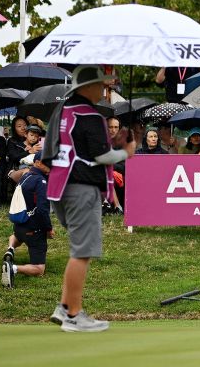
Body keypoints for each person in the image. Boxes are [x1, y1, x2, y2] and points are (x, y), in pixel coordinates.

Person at [43, 65, 134, 332]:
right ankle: (74, 315)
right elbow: (102, 156)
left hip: (59, 186)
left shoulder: (62, 111)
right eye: (100, 85)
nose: (105, 89)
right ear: (86, 87)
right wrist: (126, 152)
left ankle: (64, 307)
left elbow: (51, 153)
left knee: (78, 249)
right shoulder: (89, 115)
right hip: (81, 186)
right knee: (82, 252)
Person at [2, 153, 51, 288]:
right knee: (39, 269)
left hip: (18, 227)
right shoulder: (41, 182)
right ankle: (13, 269)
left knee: (16, 236)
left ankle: (10, 248)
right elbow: (42, 210)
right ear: (38, 163)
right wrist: (48, 229)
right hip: (33, 231)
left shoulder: (25, 176)